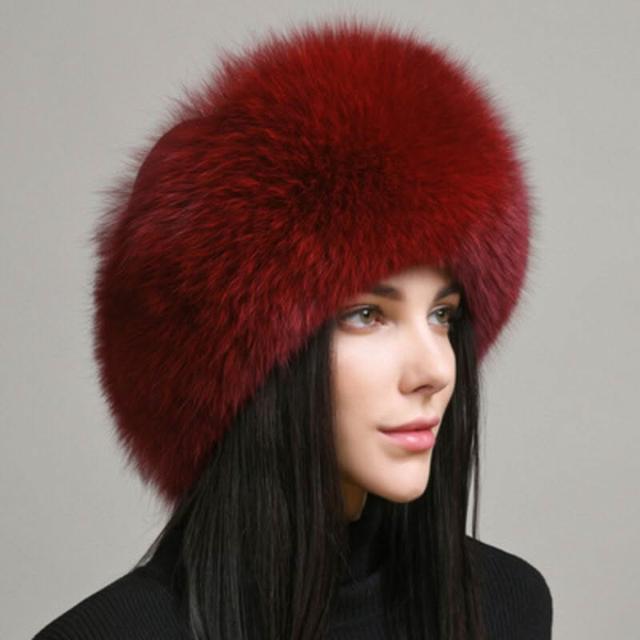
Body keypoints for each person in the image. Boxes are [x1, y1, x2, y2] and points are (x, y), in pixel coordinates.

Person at [33, 15, 553, 640]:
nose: (436, 371)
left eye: (442, 314)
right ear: (249, 364)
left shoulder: (505, 604)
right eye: (367, 314)